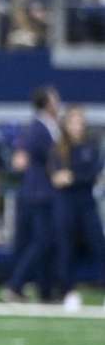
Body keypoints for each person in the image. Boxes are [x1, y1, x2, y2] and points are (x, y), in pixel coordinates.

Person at [4, 86, 62, 303]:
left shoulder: (49, 126)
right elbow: (21, 159)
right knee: (41, 241)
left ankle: (45, 290)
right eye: (55, 99)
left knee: (46, 242)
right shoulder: (38, 127)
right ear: (47, 103)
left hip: (44, 191)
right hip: (39, 192)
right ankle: (15, 284)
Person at [51, 106, 104, 312]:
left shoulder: (91, 146)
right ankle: (67, 291)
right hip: (66, 203)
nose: (77, 125)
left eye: (80, 121)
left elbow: (92, 174)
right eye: (73, 121)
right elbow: (57, 178)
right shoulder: (58, 149)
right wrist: (74, 177)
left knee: (98, 243)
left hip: (86, 201)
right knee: (66, 246)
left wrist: (73, 177)